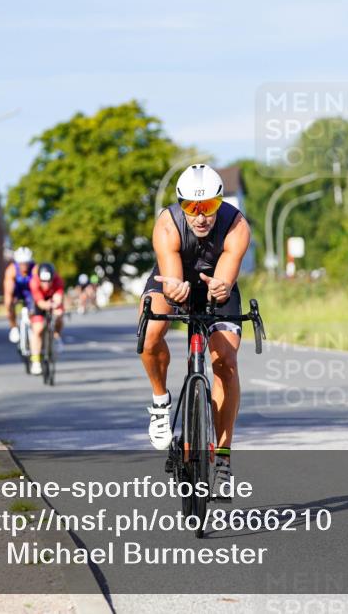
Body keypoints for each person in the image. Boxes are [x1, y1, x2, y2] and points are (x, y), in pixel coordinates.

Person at [138, 163, 251, 493]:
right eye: (191, 207)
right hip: (175, 280)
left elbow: (226, 275)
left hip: (218, 286)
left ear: (220, 202)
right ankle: (161, 401)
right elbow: (171, 275)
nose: (200, 217)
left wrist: (220, 287)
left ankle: (224, 458)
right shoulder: (167, 225)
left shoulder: (237, 225)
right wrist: (174, 290)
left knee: (226, 364)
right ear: (180, 204)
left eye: (209, 208)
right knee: (150, 333)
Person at [29, 262, 65, 375]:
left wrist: (56, 306)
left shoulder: (58, 280)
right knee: (38, 329)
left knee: (59, 315)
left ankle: (56, 336)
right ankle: (35, 361)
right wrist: (48, 305)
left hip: (52, 299)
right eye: (43, 281)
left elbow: (59, 296)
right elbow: (40, 303)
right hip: (39, 302)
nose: (46, 284)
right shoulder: (34, 282)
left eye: (49, 281)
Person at [3, 247, 35, 344]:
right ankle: (13, 328)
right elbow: (8, 290)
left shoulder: (35, 268)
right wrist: (11, 300)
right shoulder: (11, 270)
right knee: (8, 304)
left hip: (30, 291)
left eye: (26, 263)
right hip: (17, 291)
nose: (24, 266)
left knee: (34, 308)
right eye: (21, 263)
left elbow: (38, 287)